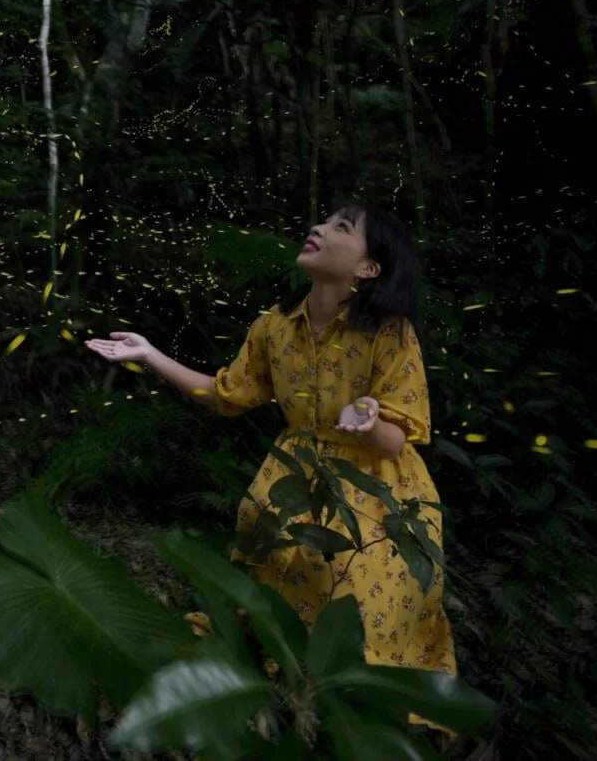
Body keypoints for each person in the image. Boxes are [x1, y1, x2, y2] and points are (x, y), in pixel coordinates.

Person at [85, 200, 458, 738]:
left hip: (378, 485)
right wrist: (149, 354)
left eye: (341, 228)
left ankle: (356, 715)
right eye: (324, 220)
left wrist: (369, 419)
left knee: (359, 588)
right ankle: (274, 702)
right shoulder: (276, 326)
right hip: (291, 475)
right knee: (275, 575)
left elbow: (399, 433)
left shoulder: (389, 333)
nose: (319, 228)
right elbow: (224, 394)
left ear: (368, 268)